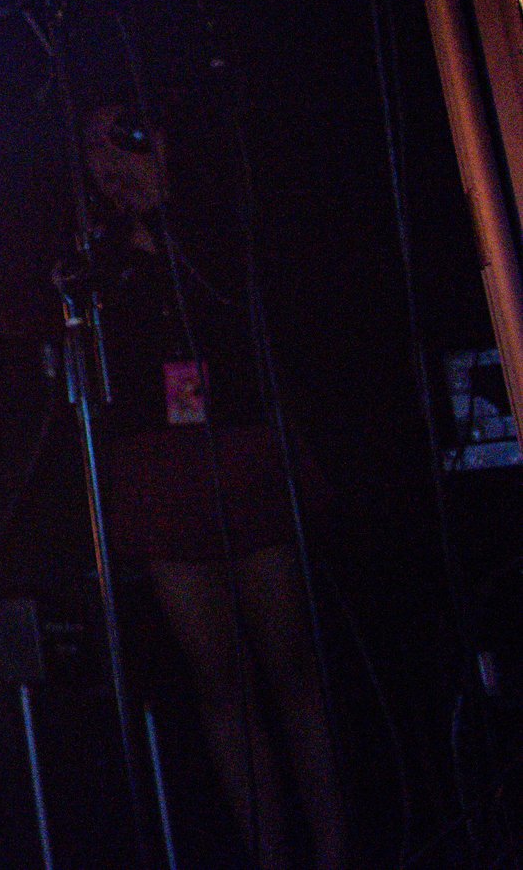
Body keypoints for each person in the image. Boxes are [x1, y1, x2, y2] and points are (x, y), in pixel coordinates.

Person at [81, 106, 347, 870]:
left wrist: (163, 219)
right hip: (163, 470)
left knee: (293, 667)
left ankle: (335, 853)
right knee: (218, 683)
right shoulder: (99, 254)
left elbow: (254, 312)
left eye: (118, 142)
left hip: (242, 449)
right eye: (91, 149)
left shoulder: (217, 228)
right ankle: (270, 855)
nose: (106, 163)